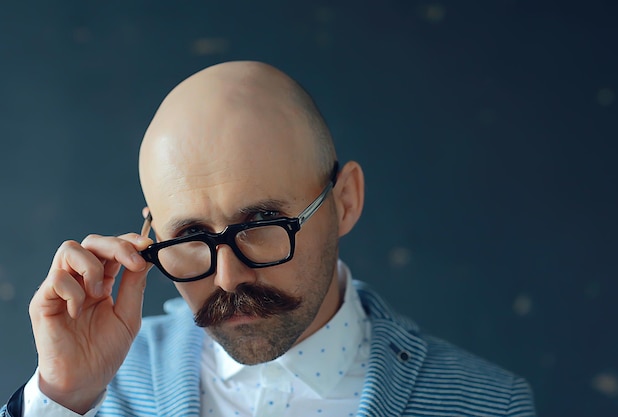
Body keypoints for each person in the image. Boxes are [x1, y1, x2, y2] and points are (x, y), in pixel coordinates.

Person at [2, 61, 536, 417]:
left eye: (260, 226)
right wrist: (65, 396)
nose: (229, 277)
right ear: (148, 237)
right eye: (188, 235)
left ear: (344, 200)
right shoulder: (94, 391)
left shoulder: (488, 403)